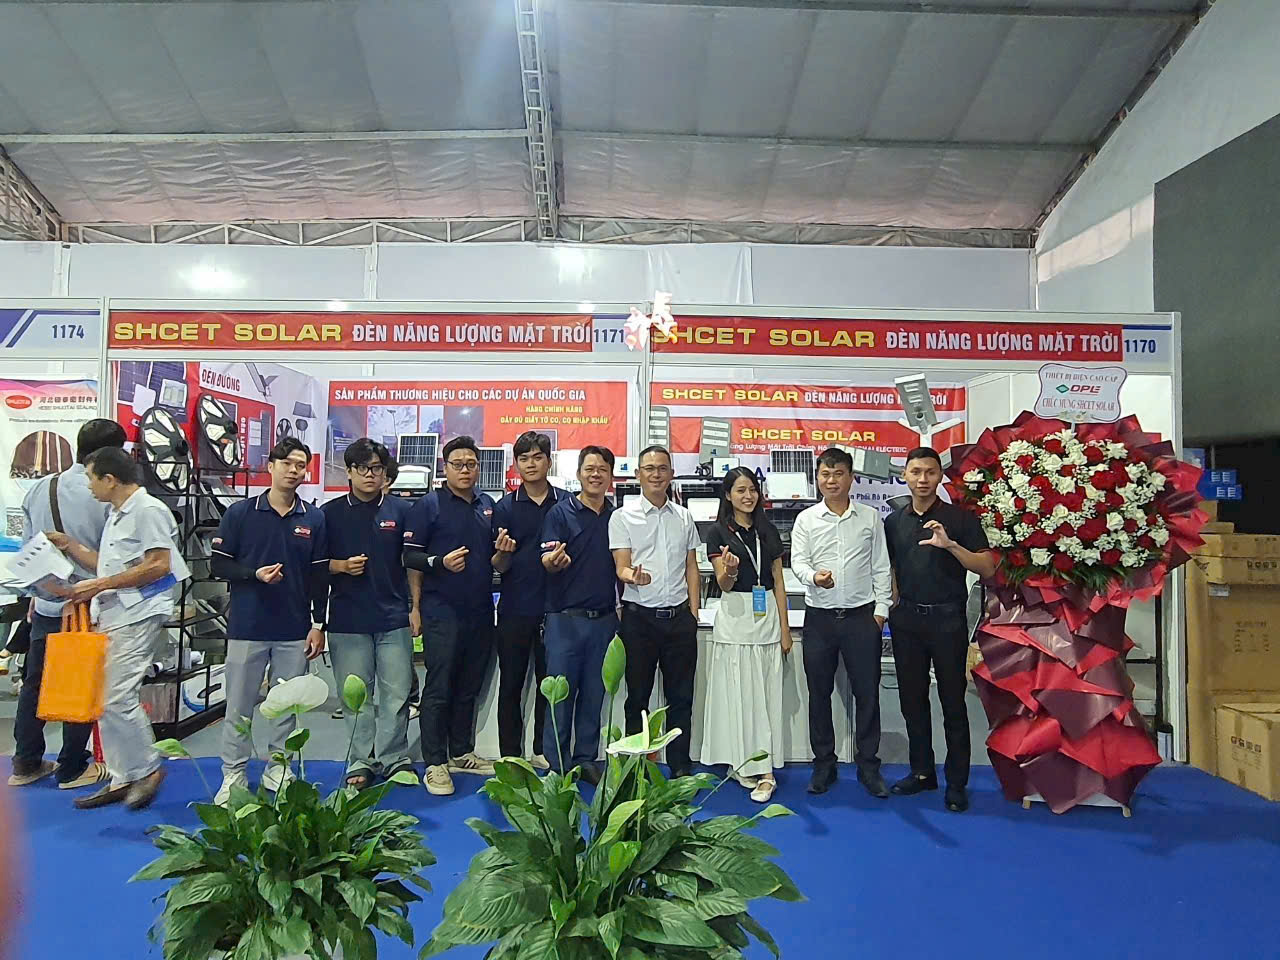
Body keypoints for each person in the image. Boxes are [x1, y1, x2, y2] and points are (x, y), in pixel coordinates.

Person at [48, 446, 186, 811]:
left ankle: (148, 768)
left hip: (137, 613)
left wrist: (100, 585)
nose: (89, 486)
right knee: (104, 698)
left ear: (110, 479)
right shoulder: (117, 513)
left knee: (117, 696)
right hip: (114, 612)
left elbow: (159, 565)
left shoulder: (148, 510)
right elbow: (108, 565)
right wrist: (70, 546)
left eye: (91, 478)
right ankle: (123, 774)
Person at [8, 419, 124, 791]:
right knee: (82, 679)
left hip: (47, 602)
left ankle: (25, 761)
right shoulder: (107, 494)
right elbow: (116, 558)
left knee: (35, 683)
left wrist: (37, 593)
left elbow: (30, 549)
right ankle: (72, 766)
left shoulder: (41, 488)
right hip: (91, 604)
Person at [211, 438, 328, 804]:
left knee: (287, 706)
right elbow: (219, 564)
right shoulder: (241, 513)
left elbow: (319, 575)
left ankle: (279, 767)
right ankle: (233, 773)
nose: (294, 470)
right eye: (287, 463)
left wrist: (318, 624)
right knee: (239, 706)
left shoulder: (313, 518)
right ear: (271, 466)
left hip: (294, 628)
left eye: (301, 465)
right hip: (248, 626)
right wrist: (253, 574)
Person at [885, 447, 995, 813]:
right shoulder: (893, 522)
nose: (922, 479)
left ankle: (956, 783)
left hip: (947, 620)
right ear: (905, 475)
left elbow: (987, 567)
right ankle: (921, 772)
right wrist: (891, 604)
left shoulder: (960, 519)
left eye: (929, 472)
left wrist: (951, 546)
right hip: (907, 621)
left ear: (939, 476)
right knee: (912, 701)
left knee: (952, 702)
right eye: (915, 471)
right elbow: (891, 568)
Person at [790, 447, 892, 798]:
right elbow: (798, 561)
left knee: (867, 693)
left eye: (838, 474)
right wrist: (813, 578)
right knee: (819, 694)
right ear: (817, 478)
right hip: (819, 618)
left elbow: (881, 566)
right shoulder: (806, 519)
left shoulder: (870, 518)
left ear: (851, 478)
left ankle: (869, 765)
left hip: (861, 618)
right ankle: (824, 764)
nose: (831, 480)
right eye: (825, 474)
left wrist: (881, 611)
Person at [403, 435, 498, 796]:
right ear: (445, 468)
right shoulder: (429, 505)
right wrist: (438, 564)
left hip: (480, 609)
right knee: (439, 686)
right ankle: (434, 762)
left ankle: (460, 752)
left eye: (471, 464)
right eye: (458, 464)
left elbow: (493, 557)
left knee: (469, 685)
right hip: (441, 609)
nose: (465, 470)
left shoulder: (487, 505)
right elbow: (409, 557)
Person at [322, 439, 415, 790]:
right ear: (349, 471)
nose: (370, 474)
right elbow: (313, 565)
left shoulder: (401, 511)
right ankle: (361, 760)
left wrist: (415, 608)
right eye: (362, 468)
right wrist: (340, 566)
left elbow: (412, 564)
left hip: (393, 618)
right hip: (347, 619)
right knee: (355, 697)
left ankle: (394, 758)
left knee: (396, 695)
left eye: (377, 468)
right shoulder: (329, 514)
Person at [700, 467, 792, 802]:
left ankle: (766, 772)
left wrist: (785, 630)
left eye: (752, 489)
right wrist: (730, 570)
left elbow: (778, 581)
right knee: (737, 696)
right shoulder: (717, 533)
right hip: (735, 618)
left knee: (764, 698)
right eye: (740, 490)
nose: (747, 496)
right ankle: (741, 761)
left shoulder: (768, 531)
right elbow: (723, 584)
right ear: (728, 495)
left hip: (765, 617)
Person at [609, 445, 700, 778]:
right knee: (637, 698)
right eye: (649, 468)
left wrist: (693, 612)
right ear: (638, 475)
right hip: (640, 621)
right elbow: (621, 565)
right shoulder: (623, 516)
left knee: (681, 698)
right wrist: (631, 576)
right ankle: (636, 769)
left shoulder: (684, 517)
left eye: (662, 468)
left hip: (679, 620)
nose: (656, 474)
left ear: (671, 474)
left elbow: (691, 566)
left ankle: (680, 767)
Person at [539, 446, 619, 784]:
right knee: (560, 696)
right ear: (579, 473)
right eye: (590, 468)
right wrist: (553, 561)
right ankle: (557, 766)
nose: (596, 474)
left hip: (604, 620)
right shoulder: (560, 513)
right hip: (565, 620)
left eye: (602, 469)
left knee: (594, 695)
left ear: (611, 476)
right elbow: (546, 558)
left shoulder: (617, 517)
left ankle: (586, 759)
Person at [490, 432, 562, 769]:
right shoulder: (504, 507)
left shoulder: (565, 504)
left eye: (537, 457)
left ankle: (542, 749)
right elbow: (498, 565)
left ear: (549, 461)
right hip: (515, 608)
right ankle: (510, 754)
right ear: (516, 464)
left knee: (550, 685)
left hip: (555, 608)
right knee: (511, 684)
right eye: (524, 458)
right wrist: (502, 554)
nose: (530, 464)